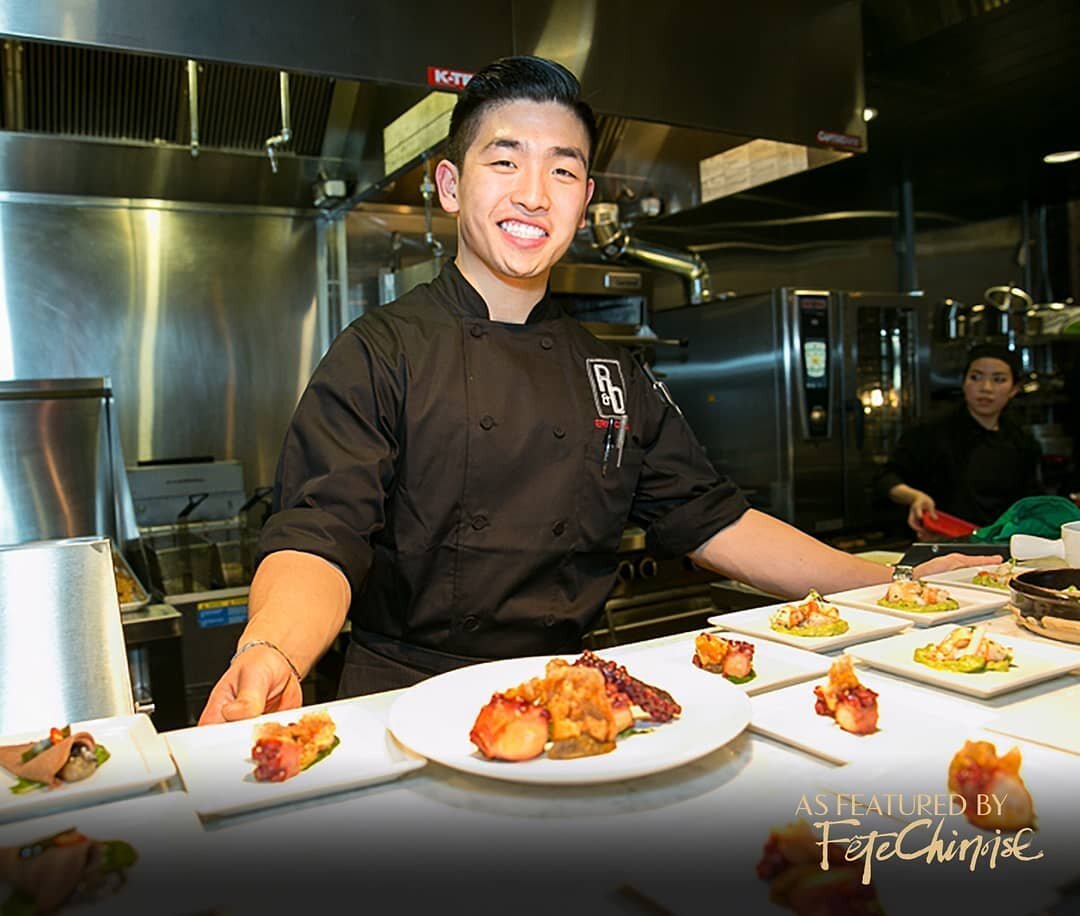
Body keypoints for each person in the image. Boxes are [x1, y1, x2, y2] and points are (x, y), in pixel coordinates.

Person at [198, 56, 995, 724]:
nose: (533, 193)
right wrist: (270, 650)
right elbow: (317, 534)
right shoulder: (379, 353)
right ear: (449, 185)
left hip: (576, 699)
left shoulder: (612, 373)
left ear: (584, 200)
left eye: (563, 169)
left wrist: (889, 582)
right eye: (504, 160)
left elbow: (713, 520)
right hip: (408, 703)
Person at [879, 343, 1042, 537]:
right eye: (975, 377)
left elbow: (1030, 503)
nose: (986, 388)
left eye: (999, 380)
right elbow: (886, 478)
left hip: (1000, 548)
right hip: (939, 543)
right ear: (964, 382)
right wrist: (914, 497)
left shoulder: (1022, 441)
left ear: (1014, 389)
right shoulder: (930, 430)